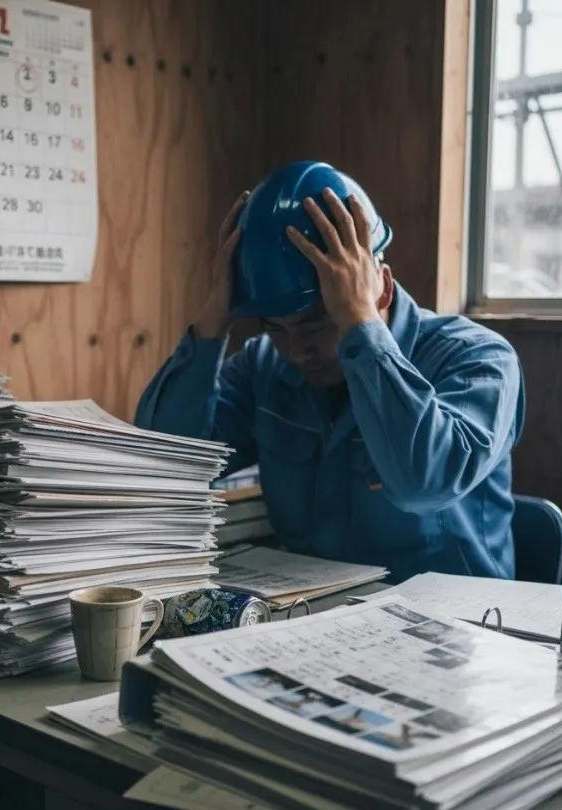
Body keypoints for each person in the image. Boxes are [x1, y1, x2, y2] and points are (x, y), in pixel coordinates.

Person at [133, 161, 525, 581]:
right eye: (274, 327)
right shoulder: (264, 366)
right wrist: (213, 322)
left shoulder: (476, 360)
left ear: (382, 288)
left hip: (457, 629)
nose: (297, 350)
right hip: (316, 625)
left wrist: (360, 327)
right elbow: (165, 469)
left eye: (318, 323)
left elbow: (424, 482)